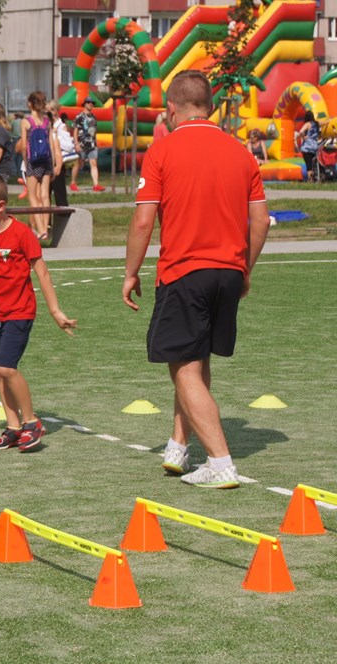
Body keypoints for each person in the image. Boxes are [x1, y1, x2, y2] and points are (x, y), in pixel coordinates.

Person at [124, 71, 271, 488]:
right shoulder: (242, 153)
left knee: (183, 369)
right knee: (195, 359)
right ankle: (178, 445)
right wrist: (244, 268)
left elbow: (143, 221)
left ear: (171, 108)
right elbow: (261, 221)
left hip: (185, 270)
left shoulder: (162, 150)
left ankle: (220, 462)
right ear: (210, 105)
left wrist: (130, 272)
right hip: (228, 271)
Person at [0, 170, 77, 452]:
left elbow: (42, 273)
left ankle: (31, 422)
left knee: (7, 368)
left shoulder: (22, 234)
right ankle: (14, 427)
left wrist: (55, 311)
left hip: (20, 312)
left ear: (0, 206)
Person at [20, 91, 57, 240]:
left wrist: (26, 162)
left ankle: (40, 229)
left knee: (32, 195)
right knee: (45, 195)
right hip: (46, 161)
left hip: (33, 161)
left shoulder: (26, 121)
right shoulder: (47, 121)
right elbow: (51, 144)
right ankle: (45, 228)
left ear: (30, 104)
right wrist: (52, 164)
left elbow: (24, 146)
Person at [73, 97, 105, 192]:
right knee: (79, 164)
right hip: (82, 144)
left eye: (92, 103)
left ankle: (96, 184)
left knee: (93, 163)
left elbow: (94, 130)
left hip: (92, 144)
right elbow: (75, 130)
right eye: (88, 102)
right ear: (85, 104)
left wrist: (95, 141)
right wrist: (76, 143)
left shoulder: (94, 117)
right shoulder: (79, 116)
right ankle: (73, 182)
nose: (91, 104)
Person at [297, 116, 320, 181]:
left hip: (307, 147)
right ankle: (314, 177)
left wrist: (303, 137)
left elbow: (301, 131)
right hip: (314, 147)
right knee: (313, 164)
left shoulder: (307, 124)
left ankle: (310, 179)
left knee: (308, 164)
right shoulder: (316, 124)